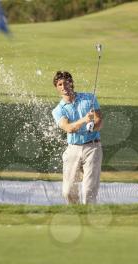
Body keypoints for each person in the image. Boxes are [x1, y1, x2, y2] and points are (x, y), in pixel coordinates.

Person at [52, 71, 103, 204]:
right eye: (60, 84)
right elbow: (69, 128)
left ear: (72, 83)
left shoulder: (89, 98)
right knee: (68, 192)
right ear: (57, 88)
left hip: (92, 147)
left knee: (89, 191)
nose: (64, 86)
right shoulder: (58, 110)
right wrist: (85, 120)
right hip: (73, 149)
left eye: (66, 83)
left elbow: (99, 120)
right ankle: (75, 215)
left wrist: (93, 126)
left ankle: (88, 219)